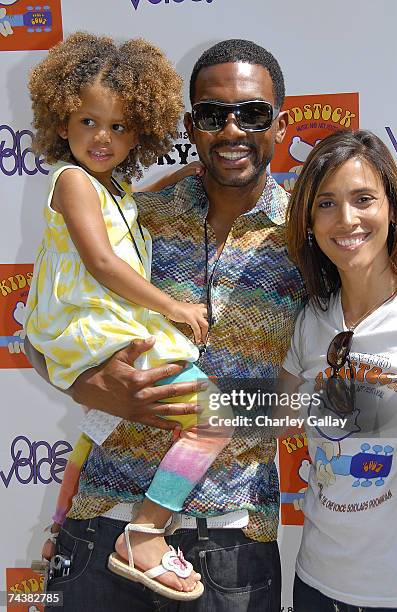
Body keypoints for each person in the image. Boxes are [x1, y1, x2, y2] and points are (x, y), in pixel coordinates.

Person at [26, 39, 305, 611]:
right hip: (101, 523)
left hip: (232, 540)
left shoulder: (308, 236)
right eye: (211, 115)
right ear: (188, 124)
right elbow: (40, 329)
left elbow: (336, 383)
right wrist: (85, 385)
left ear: (280, 121)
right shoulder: (136, 214)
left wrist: (235, 410)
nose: (232, 131)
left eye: (252, 113)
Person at [281, 128, 397, 611]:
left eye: (363, 199)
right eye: (327, 203)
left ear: (391, 209)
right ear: (309, 221)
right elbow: (260, 414)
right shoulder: (310, 320)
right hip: (313, 583)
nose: (347, 219)